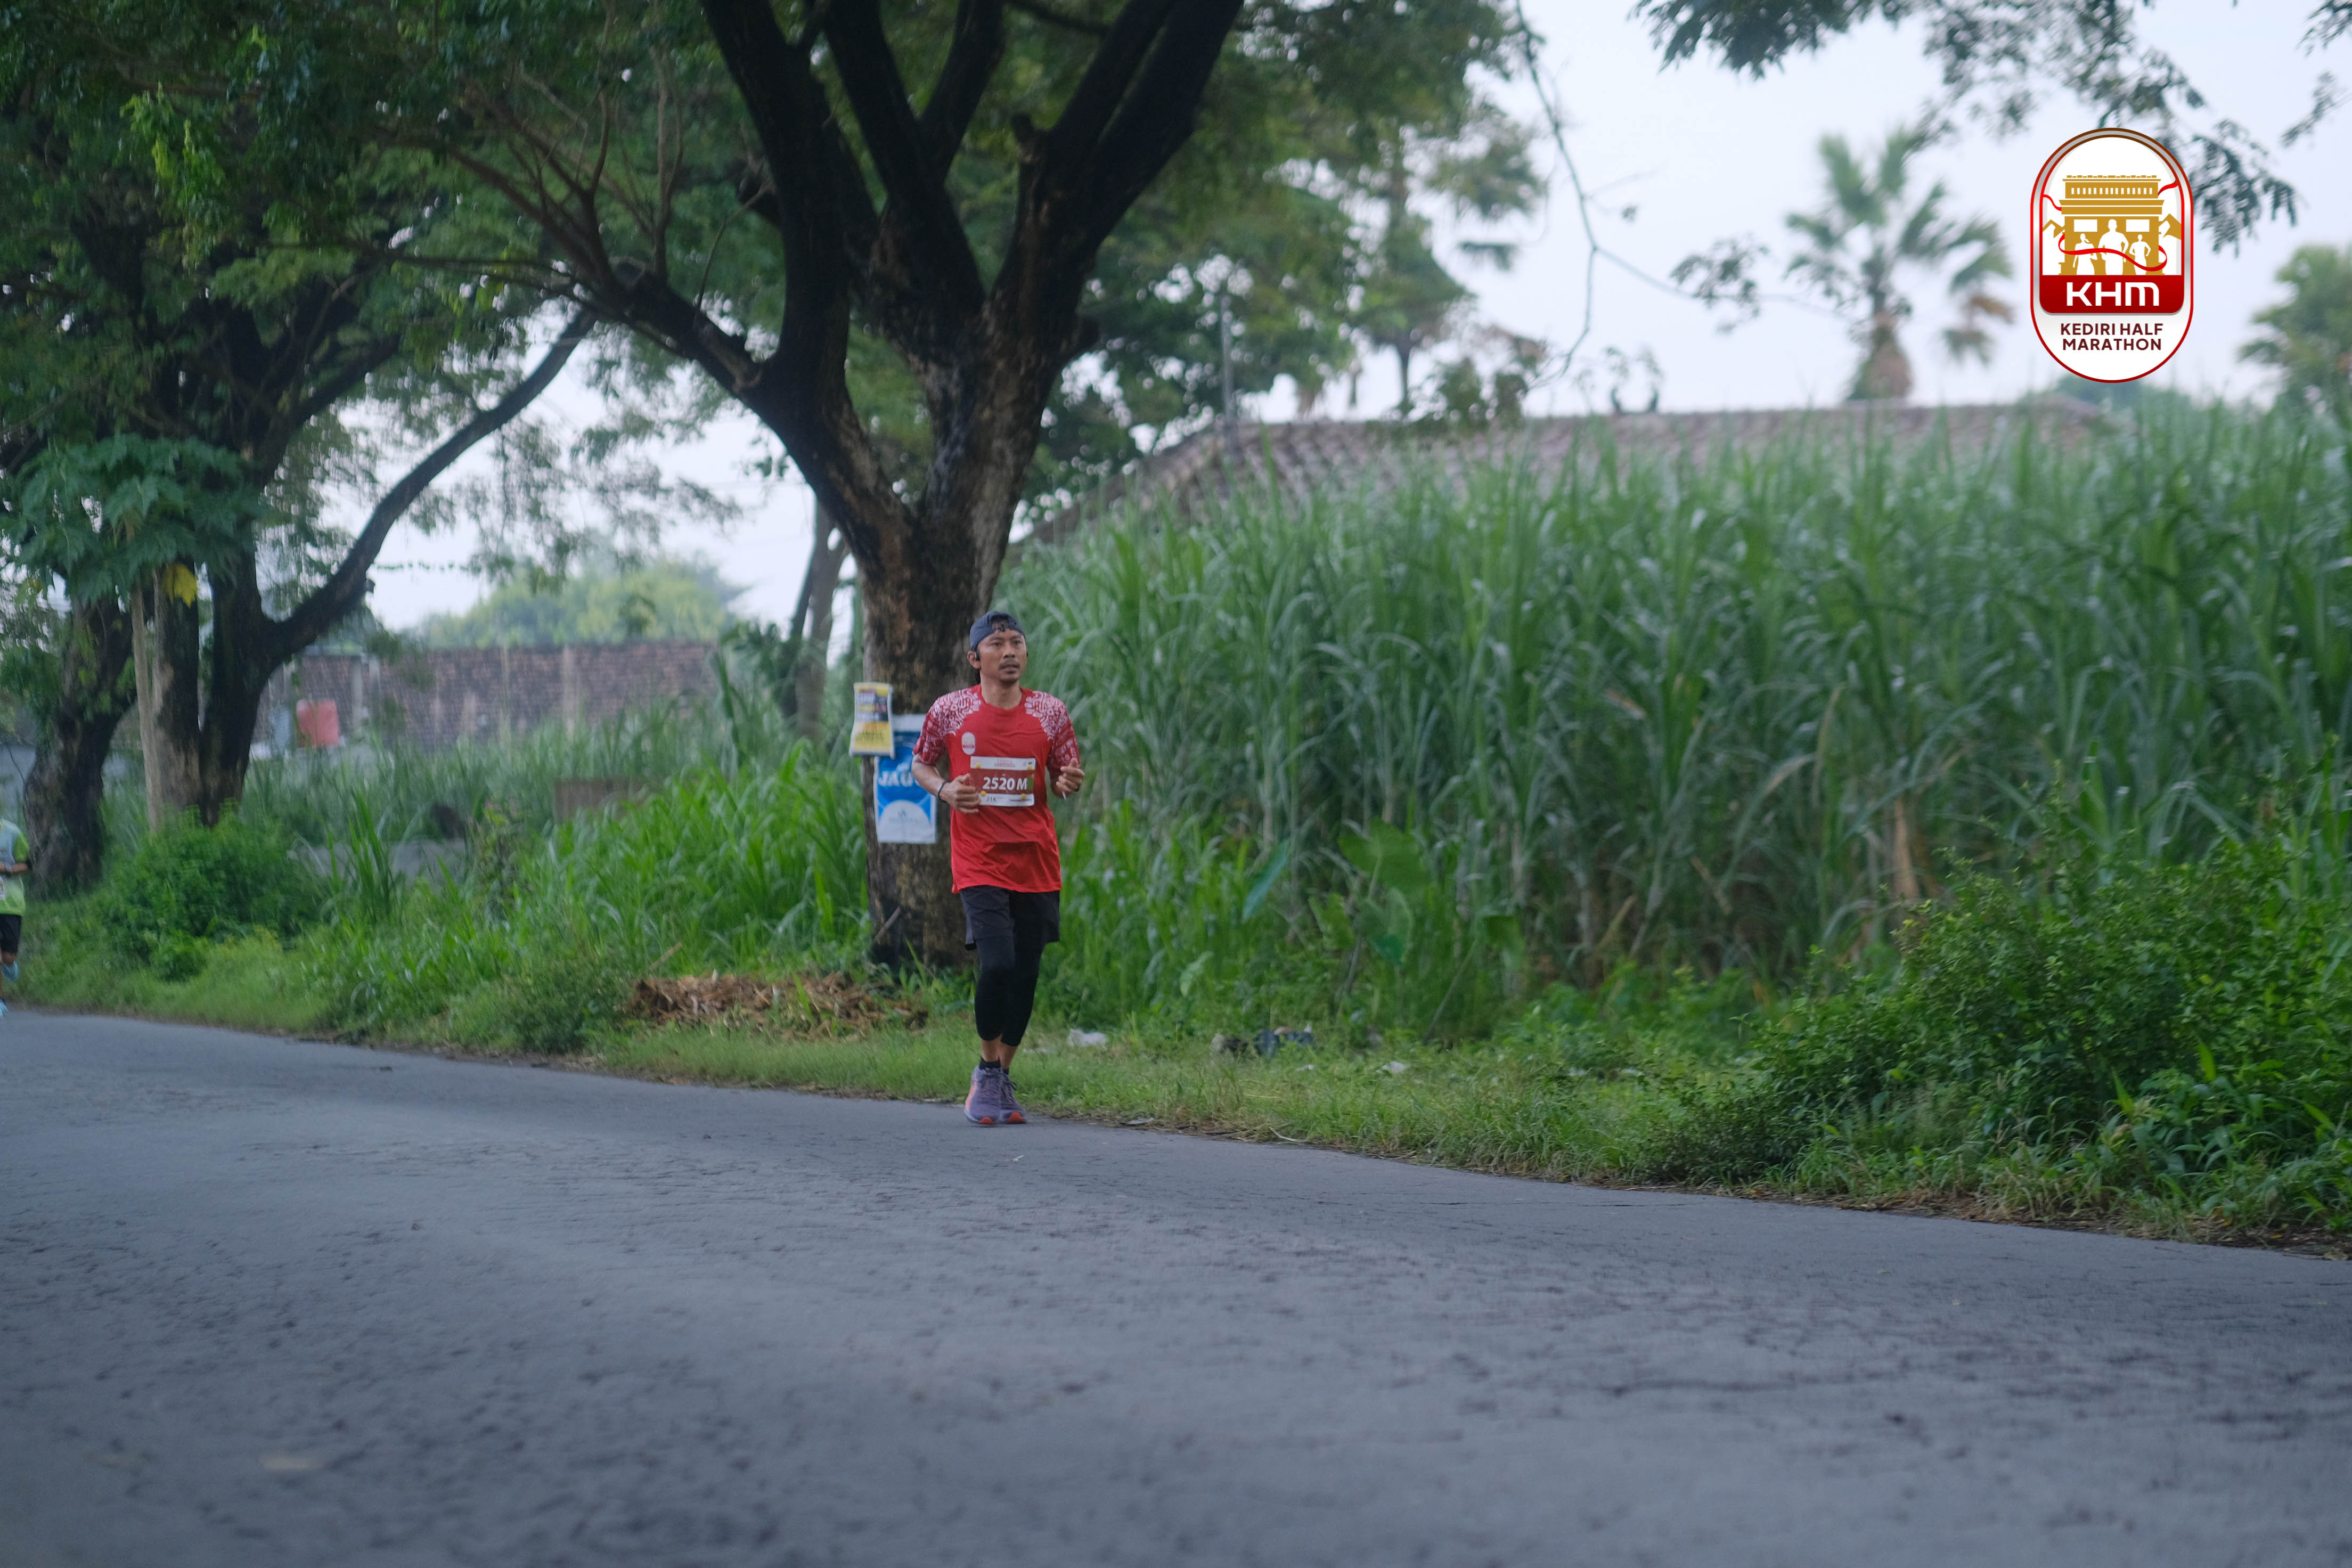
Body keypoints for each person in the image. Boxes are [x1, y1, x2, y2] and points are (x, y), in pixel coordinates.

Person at [910, 611, 1084, 1125]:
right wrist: (945, 789)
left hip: (1035, 859)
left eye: (1017, 643)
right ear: (975, 658)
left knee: (1026, 973)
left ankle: (1003, 1075)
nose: (1010, 652)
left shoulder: (1050, 712)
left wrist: (1069, 781)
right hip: (979, 859)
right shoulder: (950, 710)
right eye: (997, 644)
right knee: (1000, 964)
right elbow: (920, 763)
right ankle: (986, 1071)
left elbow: (1066, 773)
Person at [0, 815, 28, 1016]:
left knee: (7, 958)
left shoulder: (12, 833)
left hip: (11, 904)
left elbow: (27, 863)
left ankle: (9, 963)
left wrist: (7, 869)